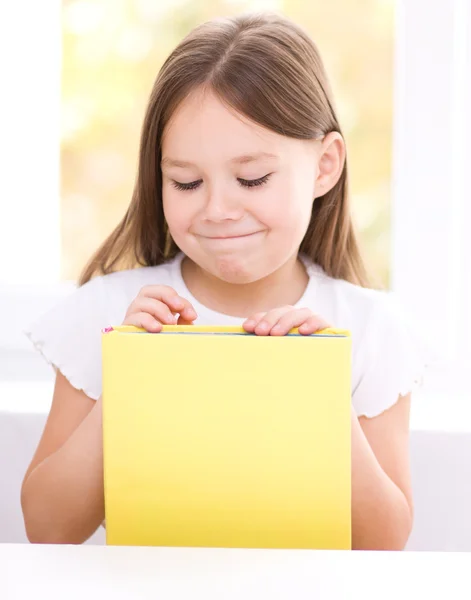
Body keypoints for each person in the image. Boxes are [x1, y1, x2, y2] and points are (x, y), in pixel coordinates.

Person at [21, 11, 426, 549]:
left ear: (325, 166)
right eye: (186, 183)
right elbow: (48, 530)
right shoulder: (109, 314)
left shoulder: (370, 329)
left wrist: (321, 395)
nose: (217, 210)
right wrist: (129, 377)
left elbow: (384, 543)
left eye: (252, 178)